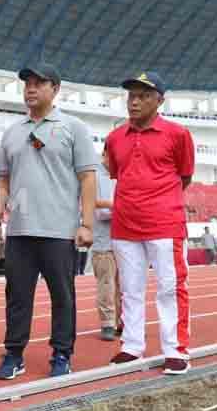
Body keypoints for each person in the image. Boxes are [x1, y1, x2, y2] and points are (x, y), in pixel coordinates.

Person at [0, 63, 97, 379]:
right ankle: (13, 353)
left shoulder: (73, 127)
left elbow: (87, 178)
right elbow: (3, 182)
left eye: (39, 83)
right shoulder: (12, 132)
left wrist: (86, 223)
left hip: (59, 230)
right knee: (17, 297)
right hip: (19, 230)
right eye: (27, 84)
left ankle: (62, 354)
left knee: (62, 296)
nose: (31, 88)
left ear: (56, 89)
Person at [107, 72, 195, 375]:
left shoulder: (178, 134)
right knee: (130, 290)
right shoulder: (115, 137)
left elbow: (185, 176)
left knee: (170, 289)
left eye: (144, 95)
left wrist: (158, 201)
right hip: (125, 225)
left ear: (160, 100)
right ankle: (131, 346)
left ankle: (176, 349)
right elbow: (119, 173)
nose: (134, 101)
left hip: (165, 225)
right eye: (131, 94)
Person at [92, 144, 121, 341]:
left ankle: (122, 321)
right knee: (107, 284)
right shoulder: (93, 175)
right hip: (103, 241)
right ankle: (107, 323)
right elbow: (100, 211)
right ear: (105, 154)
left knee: (124, 285)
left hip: (124, 239)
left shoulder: (121, 175)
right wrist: (122, 207)